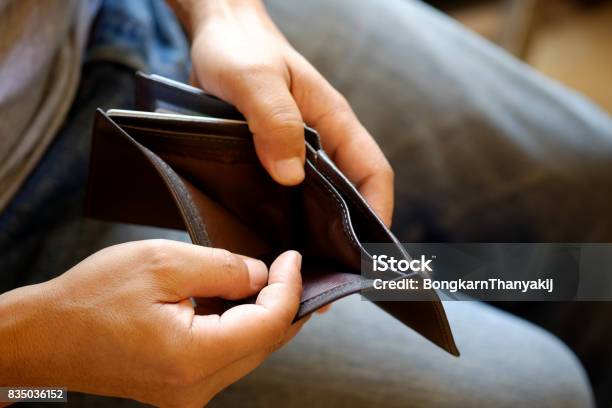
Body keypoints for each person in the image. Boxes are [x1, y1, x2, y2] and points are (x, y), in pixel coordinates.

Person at [1, 0, 609, 406]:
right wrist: (26, 353)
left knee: (594, 190)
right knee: (538, 391)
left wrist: (229, 15)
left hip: (134, 21)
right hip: (36, 285)